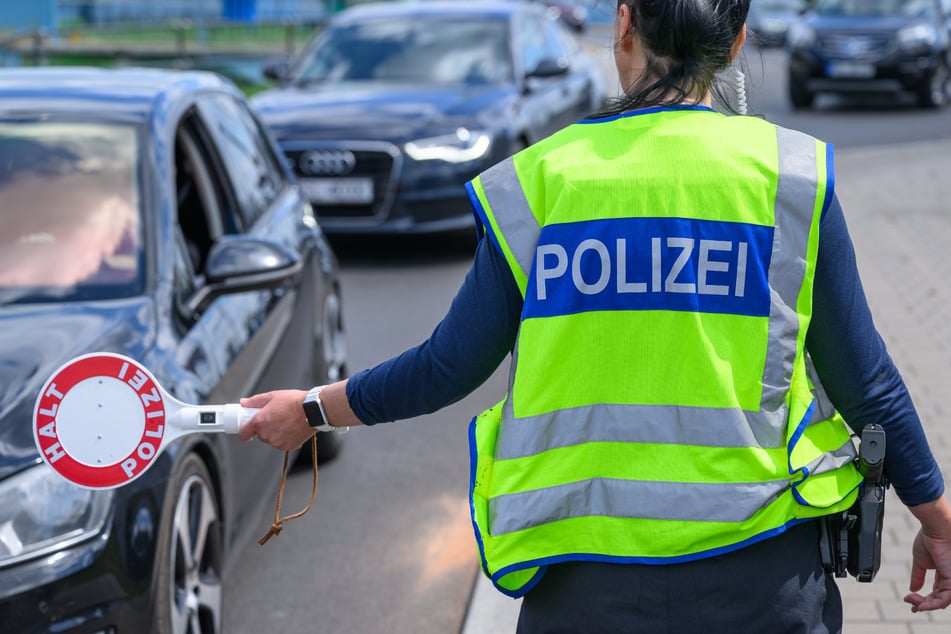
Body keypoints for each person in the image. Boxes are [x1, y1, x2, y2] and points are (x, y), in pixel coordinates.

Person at [239, 0, 951, 630]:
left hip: (585, 584)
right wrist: (935, 518)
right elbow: (866, 383)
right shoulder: (792, 176)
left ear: (623, 23)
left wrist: (312, 409)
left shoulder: (542, 180)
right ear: (736, 43)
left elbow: (445, 367)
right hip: (762, 577)